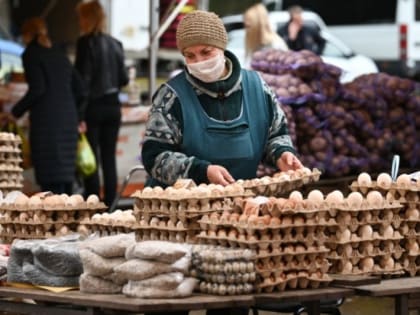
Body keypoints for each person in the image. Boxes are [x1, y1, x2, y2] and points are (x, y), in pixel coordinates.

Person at [141, 10, 303, 190]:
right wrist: (201, 171)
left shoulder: (257, 88)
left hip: (241, 208)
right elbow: (154, 156)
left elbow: (275, 135)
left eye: (206, 52)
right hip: (182, 212)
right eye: (190, 55)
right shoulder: (171, 96)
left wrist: (282, 153)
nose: (199, 61)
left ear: (222, 48)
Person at [11, 17, 85, 194]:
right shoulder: (60, 54)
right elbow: (81, 89)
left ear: (27, 35)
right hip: (68, 121)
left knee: (50, 184)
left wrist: (15, 112)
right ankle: (69, 220)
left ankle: (53, 221)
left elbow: (38, 88)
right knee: (66, 182)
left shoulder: (31, 54)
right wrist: (77, 115)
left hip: (46, 123)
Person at [75, 0, 128, 206]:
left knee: (91, 159)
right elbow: (123, 79)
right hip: (113, 107)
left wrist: (79, 115)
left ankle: (94, 204)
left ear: (87, 18)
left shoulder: (85, 43)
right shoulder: (116, 43)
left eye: (80, 17)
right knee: (108, 159)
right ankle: (112, 206)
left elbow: (83, 82)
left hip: (93, 107)